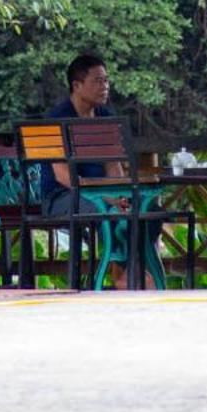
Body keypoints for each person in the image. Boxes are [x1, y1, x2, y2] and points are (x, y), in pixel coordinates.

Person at [39, 51, 131, 288]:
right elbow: (62, 176)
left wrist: (120, 196)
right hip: (62, 196)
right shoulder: (56, 119)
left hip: (101, 194)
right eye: (98, 81)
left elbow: (113, 167)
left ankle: (138, 273)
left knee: (142, 210)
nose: (105, 86)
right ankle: (117, 278)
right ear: (77, 85)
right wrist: (105, 198)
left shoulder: (105, 117)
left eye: (106, 80)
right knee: (104, 210)